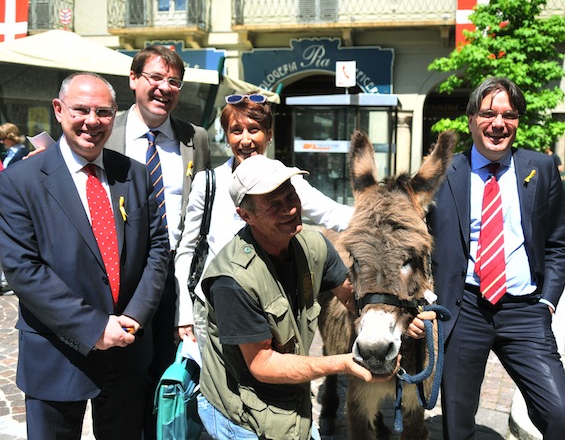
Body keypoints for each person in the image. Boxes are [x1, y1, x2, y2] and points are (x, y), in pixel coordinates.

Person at [0, 72, 170, 439]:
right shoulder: (20, 181)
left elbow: (158, 249)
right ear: (59, 110)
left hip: (127, 348)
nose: (92, 121)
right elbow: (23, 270)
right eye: (81, 110)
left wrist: (134, 317)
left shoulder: (136, 175)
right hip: (56, 352)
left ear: (115, 114)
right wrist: (93, 328)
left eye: (103, 112)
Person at [424, 77, 565, 439]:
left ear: (517, 121)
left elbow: (561, 243)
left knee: (562, 418)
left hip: (526, 312)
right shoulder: (444, 173)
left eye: (509, 114)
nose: (498, 123)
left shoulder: (540, 169)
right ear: (470, 119)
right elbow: (417, 243)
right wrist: (425, 301)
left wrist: (547, 302)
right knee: (458, 425)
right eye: (488, 113)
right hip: (464, 310)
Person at [197, 155, 391, 439]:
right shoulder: (232, 280)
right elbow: (263, 364)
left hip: (289, 402)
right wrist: (342, 362)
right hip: (242, 415)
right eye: (274, 204)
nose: (289, 208)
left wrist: (397, 313)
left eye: (291, 195)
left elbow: (353, 299)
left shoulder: (312, 244)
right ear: (245, 216)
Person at [174, 94, 354, 348]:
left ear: (269, 135)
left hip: (273, 305)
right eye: (236, 130)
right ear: (227, 137)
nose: (245, 139)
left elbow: (335, 215)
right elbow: (188, 249)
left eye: (254, 129)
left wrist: (390, 217)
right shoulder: (209, 183)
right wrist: (183, 314)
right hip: (216, 306)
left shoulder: (287, 181)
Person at [104, 45, 210, 438]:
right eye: (156, 78)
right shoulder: (105, 131)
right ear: (133, 80)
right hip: (123, 276)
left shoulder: (193, 139)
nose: (165, 88)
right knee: (123, 373)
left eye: (174, 82)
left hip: (176, 276)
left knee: (170, 371)